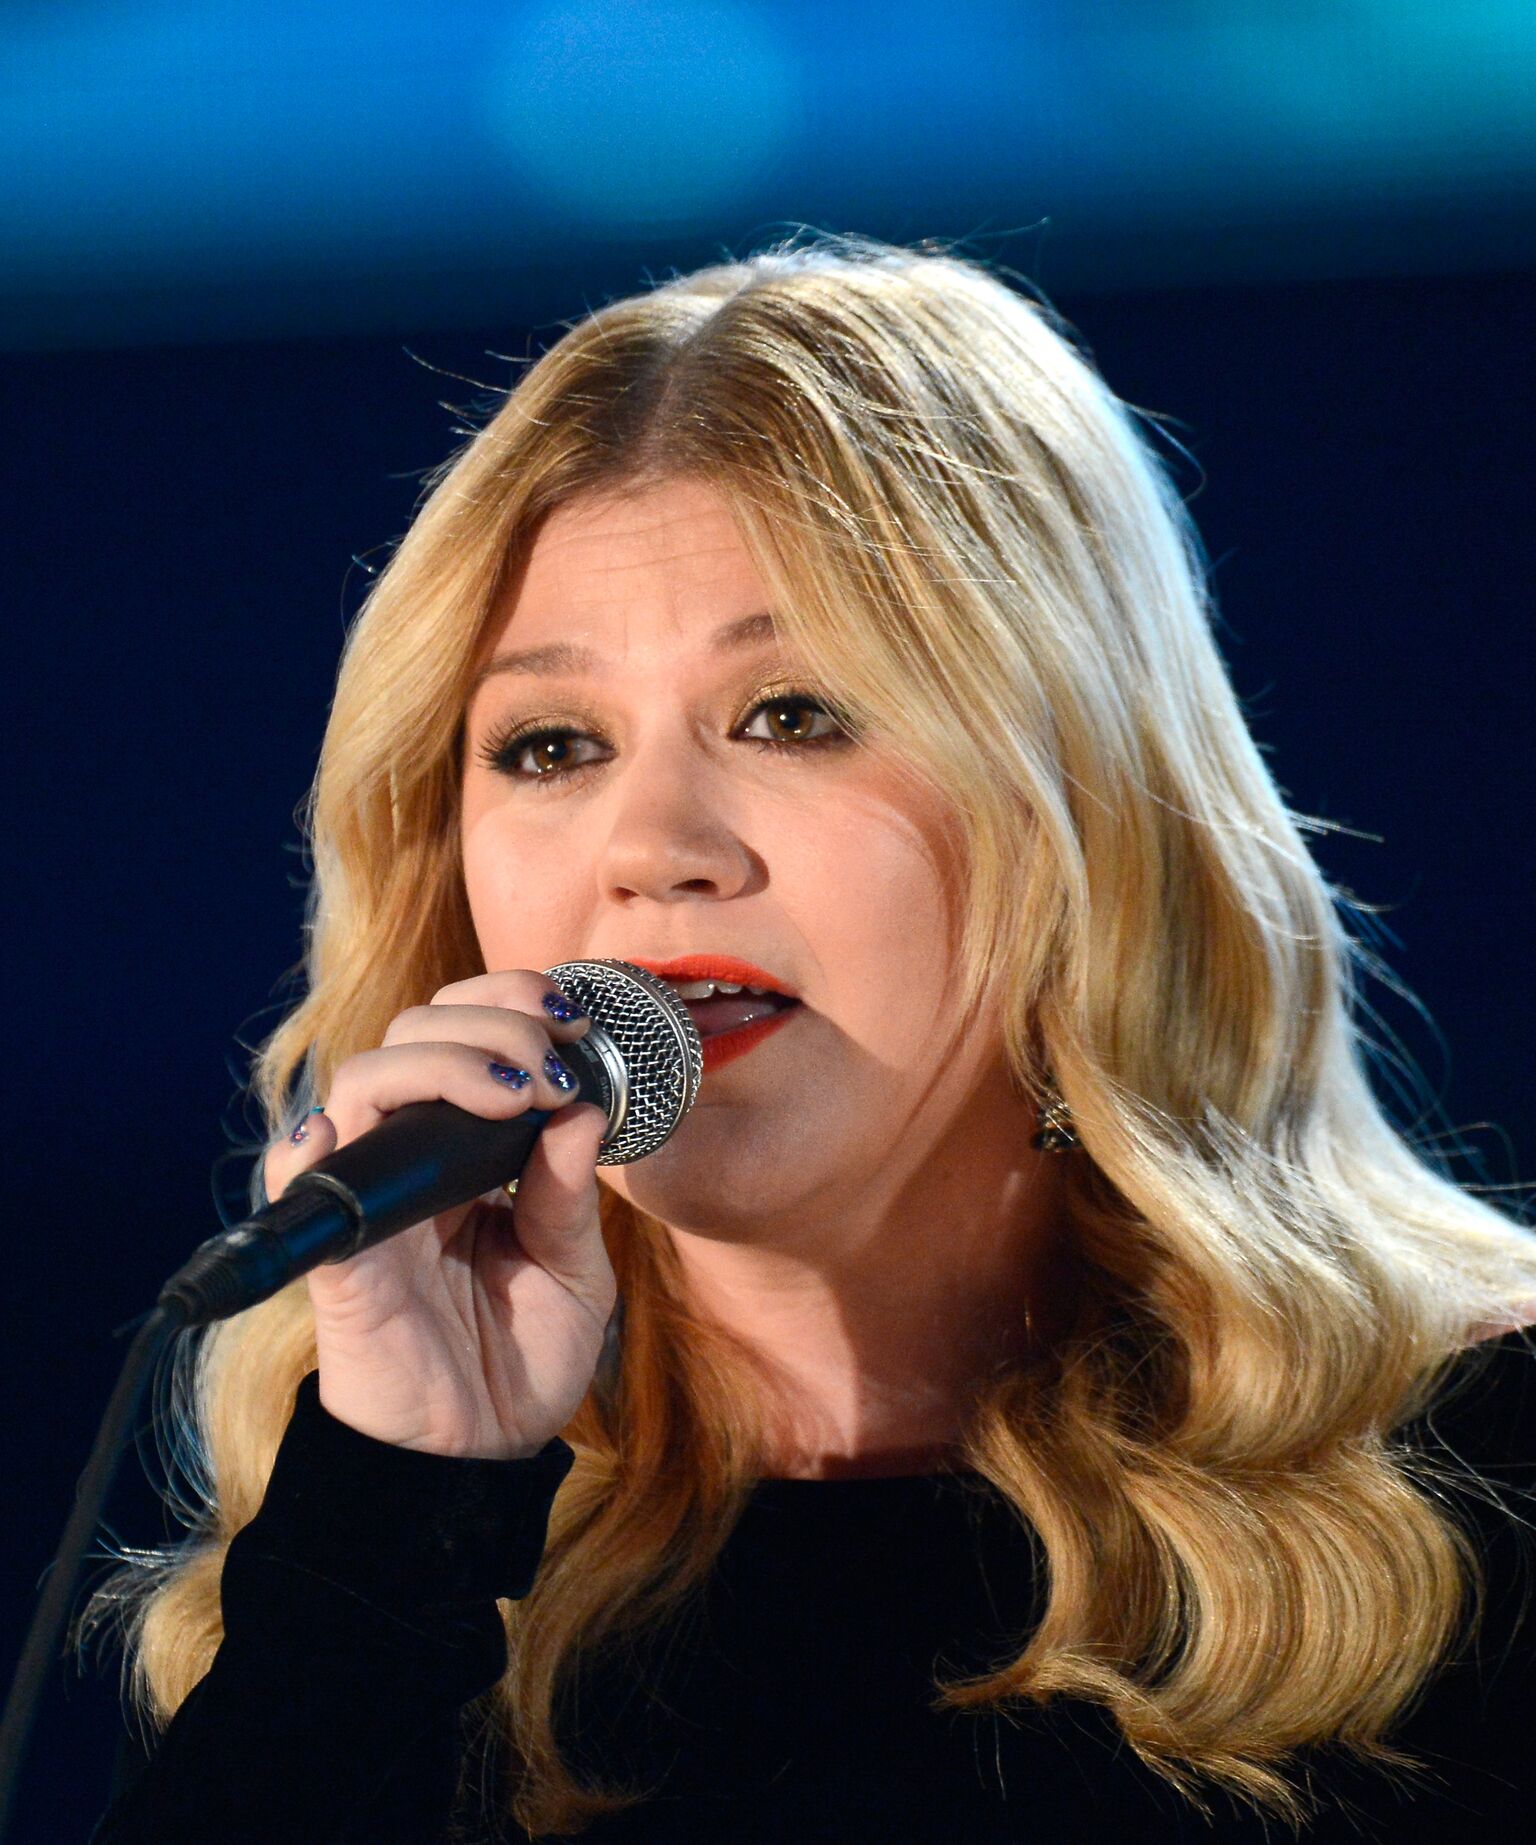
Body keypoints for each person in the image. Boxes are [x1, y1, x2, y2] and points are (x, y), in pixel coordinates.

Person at [89, 233, 1536, 1843]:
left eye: (793, 712)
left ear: (1082, 813)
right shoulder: (386, 1562)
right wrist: (385, 1531)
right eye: (551, 744)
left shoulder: (1488, 1481)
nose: (650, 843)